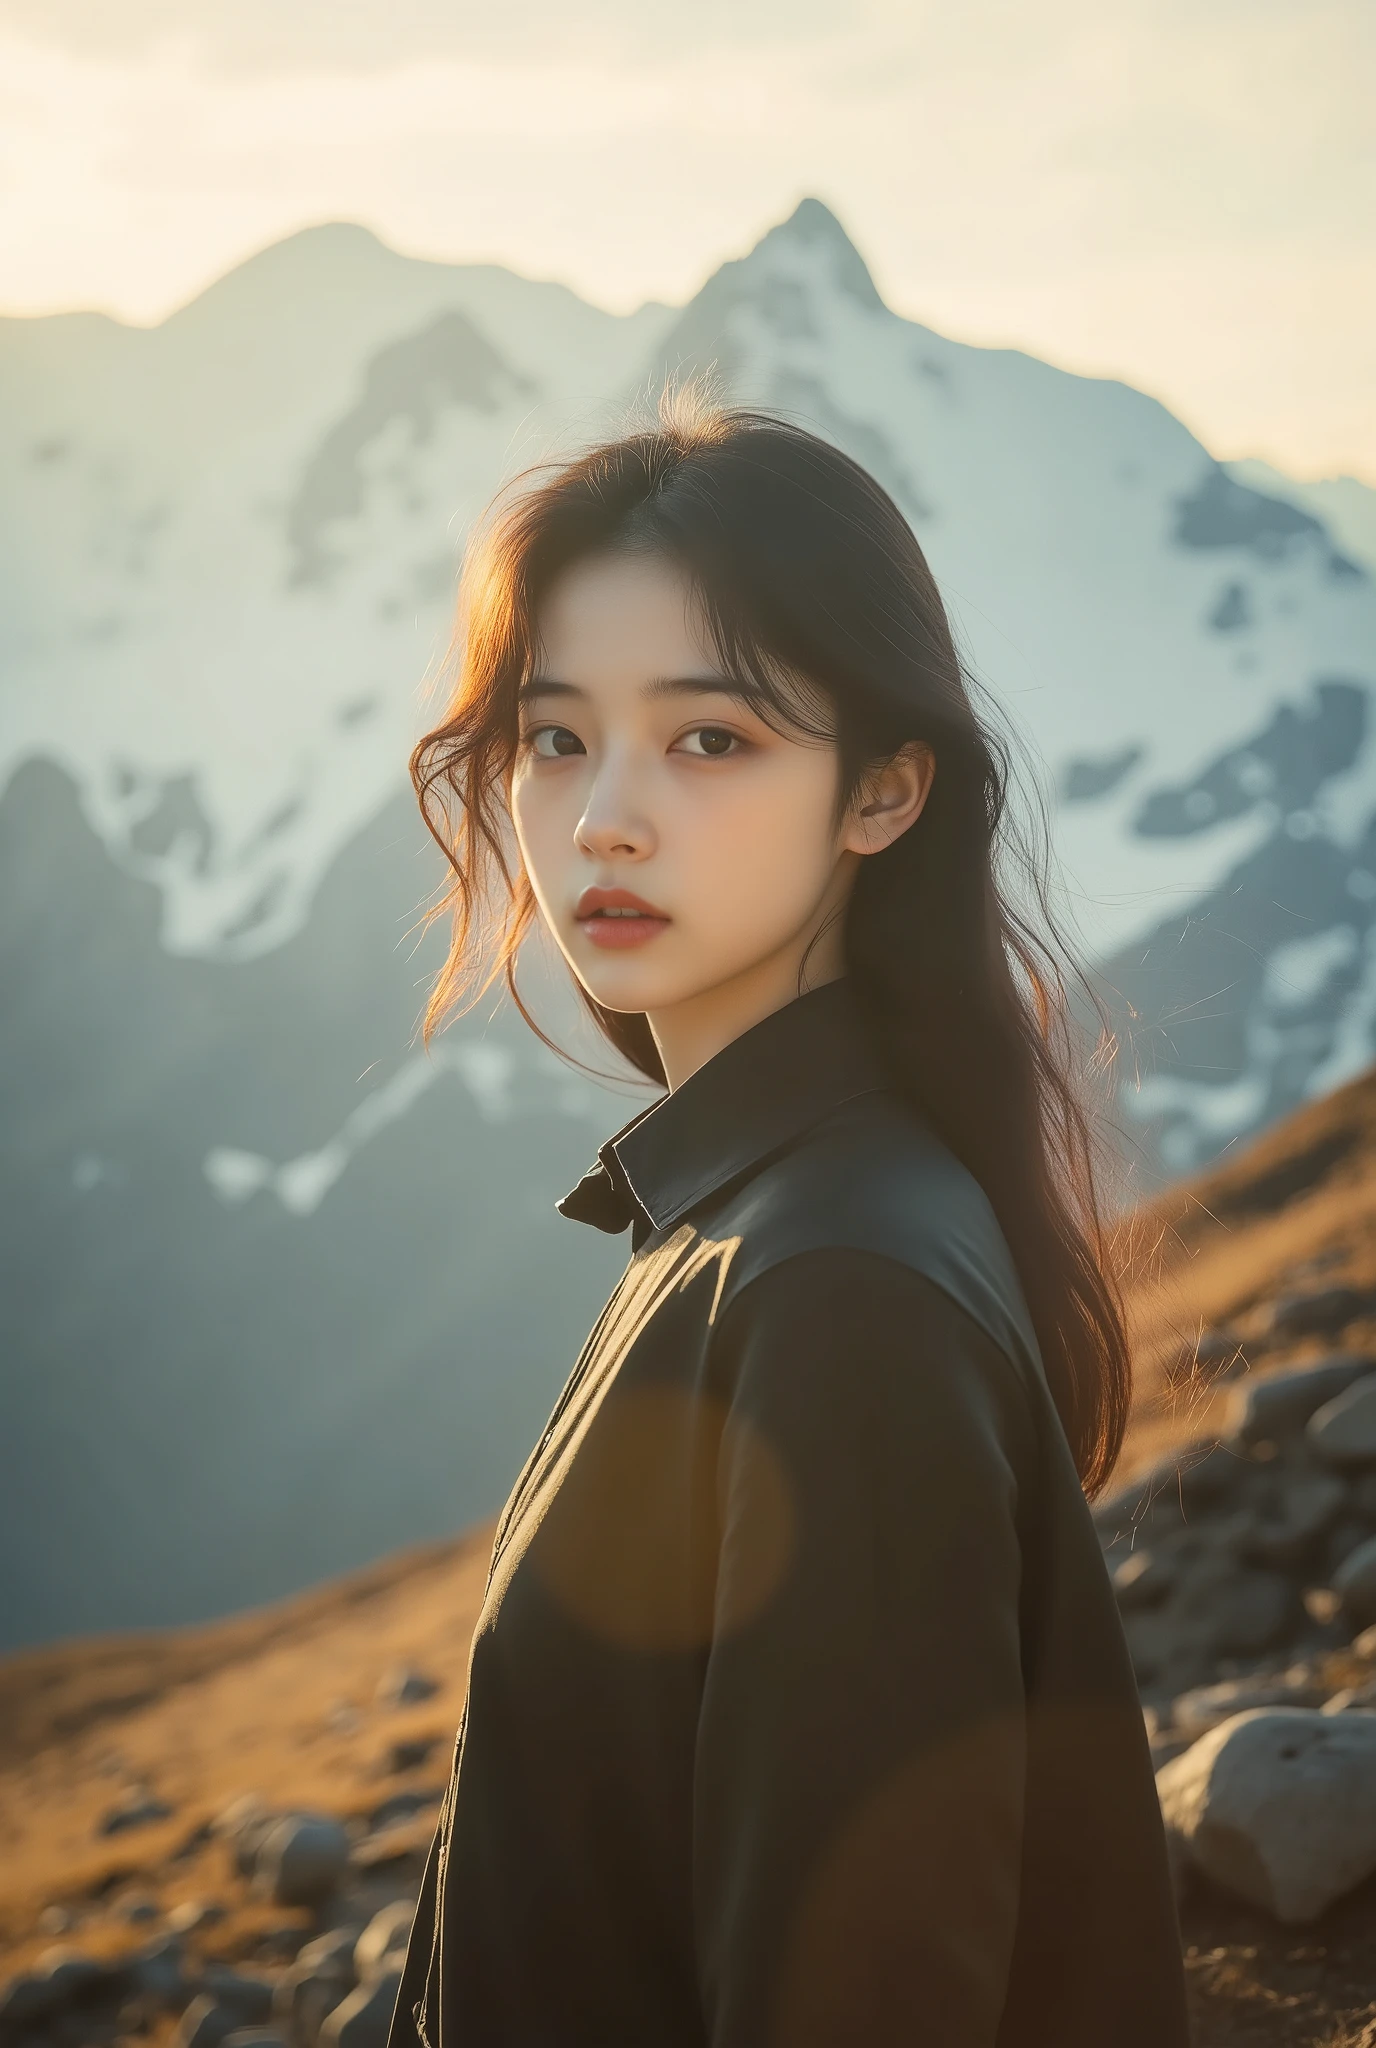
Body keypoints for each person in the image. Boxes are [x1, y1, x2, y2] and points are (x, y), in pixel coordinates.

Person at [385, 398, 1191, 2047]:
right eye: (554, 738)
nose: (602, 817)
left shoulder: (836, 1288)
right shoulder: (774, 1212)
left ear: (885, 793)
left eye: (709, 740)